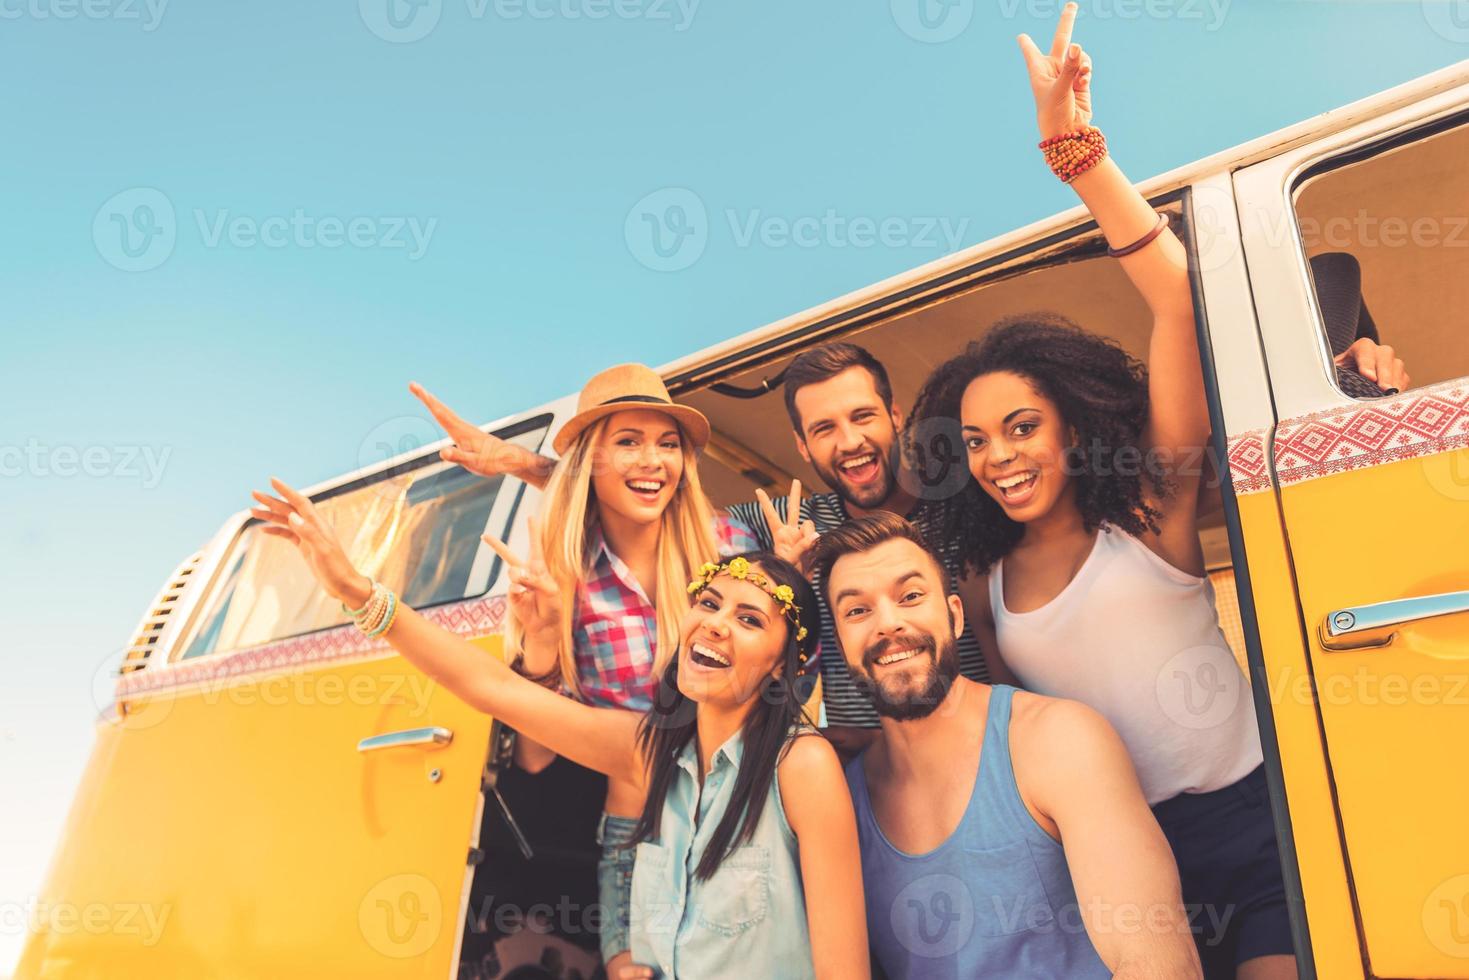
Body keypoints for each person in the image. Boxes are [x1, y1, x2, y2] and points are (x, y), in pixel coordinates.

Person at [908, 8, 1295, 976]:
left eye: (1021, 426)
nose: (997, 456)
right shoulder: (985, 582)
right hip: (1109, 851)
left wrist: (1073, 153)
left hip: (1253, 826)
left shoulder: (1150, 512)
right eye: (974, 442)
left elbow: (1174, 295)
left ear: (1072, 428)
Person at [248, 474, 869, 980]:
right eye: (707, 604)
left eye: (750, 620)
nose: (714, 624)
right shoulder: (646, 752)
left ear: (782, 667)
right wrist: (357, 591)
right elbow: (490, 686)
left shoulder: (800, 766)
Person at [401, 364, 759, 976]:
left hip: (741, 808)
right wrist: (539, 644)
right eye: (627, 441)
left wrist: (518, 461)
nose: (653, 461)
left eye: (667, 443)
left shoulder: (726, 546)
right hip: (636, 829)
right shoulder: (565, 574)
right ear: (592, 459)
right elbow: (538, 758)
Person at [813, 513, 1202, 979]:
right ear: (840, 643)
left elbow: (1159, 965)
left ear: (954, 615)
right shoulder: (838, 804)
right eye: (857, 611)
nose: (888, 624)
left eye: (911, 596)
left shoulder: (1058, 740)